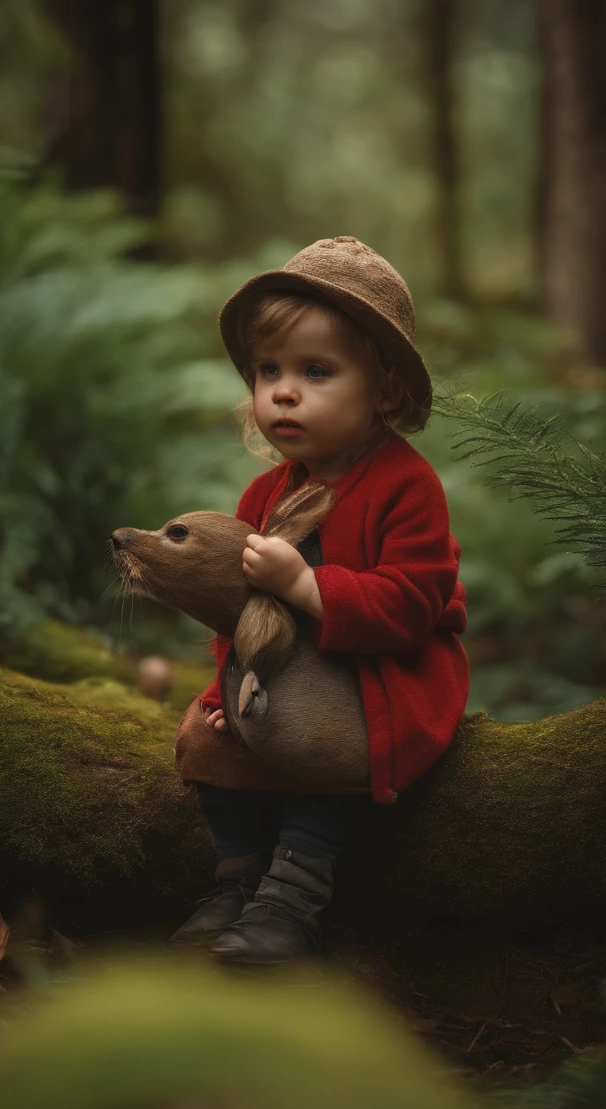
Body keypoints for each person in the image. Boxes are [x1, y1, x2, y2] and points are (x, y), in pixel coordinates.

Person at [171, 236, 469, 964]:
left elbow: (413, 602)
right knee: (205, 739)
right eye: (268, 371)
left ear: (386, 388)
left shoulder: (404, 486)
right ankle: (237, 878)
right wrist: (223, 684)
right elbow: (236, 612)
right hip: (282, 668)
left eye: (315, 371)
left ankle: (294, 899)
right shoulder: (268, 492)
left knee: (323, 741)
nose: (283, 391)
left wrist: (305, 585)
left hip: (384, 668)